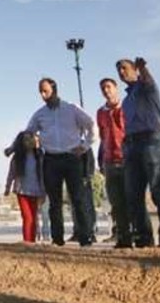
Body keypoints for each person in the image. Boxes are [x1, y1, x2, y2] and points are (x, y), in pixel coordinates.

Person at [25, 77, 96, 247]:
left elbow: (91, 124)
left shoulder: (71, 109)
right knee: (54, 202)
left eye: (46, 91)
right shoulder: (39, 114)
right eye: (40, 92)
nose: (43, 95)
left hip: (72, 158)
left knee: (78, 199)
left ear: (54, 90)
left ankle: (85, 238)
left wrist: (85, 145)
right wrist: (33, 140)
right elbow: (28, 132)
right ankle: (57, 240)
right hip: (51, 159)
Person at [118, 57, 160, 248]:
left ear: (135, 69)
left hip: (152, 142)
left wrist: (143, 70)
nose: (121, 72)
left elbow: (148, 81)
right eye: (119, 69)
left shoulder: (147, 88)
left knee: (159, 191)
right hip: (132, 146)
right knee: (133, 195)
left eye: (125, 68)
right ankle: (144, 238)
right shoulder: (126, 101)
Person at [97, 77, 133, 248]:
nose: (106, 90)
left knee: (133, 200)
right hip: (109, 162)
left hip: (127, 159)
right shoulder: (101, 112)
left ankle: (141, 237)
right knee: (116, 204)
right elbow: (102, 136)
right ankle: (123, 238)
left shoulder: (127, 106)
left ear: (116, 88)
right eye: (103, 88)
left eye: (109, 87)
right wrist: (102, 159)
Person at [4, 130, 45, 243]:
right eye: (26, 140)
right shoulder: (17, 158)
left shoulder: (39, 157)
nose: (29, 142)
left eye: (30, 139)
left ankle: (33, 240)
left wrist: (44, 191)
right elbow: (11, 173)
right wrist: (7, 187)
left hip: (36, 191)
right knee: (27, 217)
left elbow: (42, 176)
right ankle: (27, 241)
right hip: (21, 191)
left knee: (34, 217)